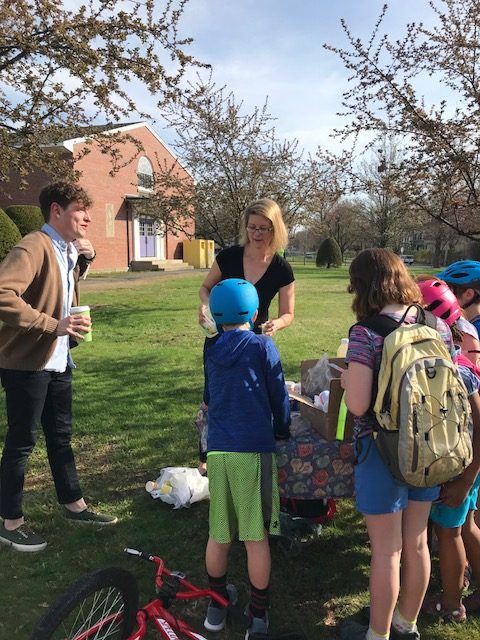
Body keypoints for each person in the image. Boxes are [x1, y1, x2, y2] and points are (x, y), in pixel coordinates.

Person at [339, 249, 453, 640]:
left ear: (362, 286)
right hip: (431, 445)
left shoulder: (366, 333)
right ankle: (408, 624)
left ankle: (378, 634)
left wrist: (345, 381)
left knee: (387, 551)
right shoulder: (437, 325)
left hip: (381, 450)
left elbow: (356, 404)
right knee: (417, 540)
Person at [0, 181, 117, 553]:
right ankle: (10, 521)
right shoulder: (34, 245)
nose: (87, 218)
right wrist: (54, 325)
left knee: (60, 436)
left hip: (58, 359)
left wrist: (84, 260)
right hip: (26, 363)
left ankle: (74, 505)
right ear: (56, 210)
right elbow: (3, 293)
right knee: (22, 442)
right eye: (80, 211)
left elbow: (58, 289)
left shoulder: (65, 248)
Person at [202, 278, 290, 638]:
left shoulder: (210, 348)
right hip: (254, 450)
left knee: (219, 534)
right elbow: (278, 394)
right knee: (255, 538)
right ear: (255, 314)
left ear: (215, 315)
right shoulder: (262, 346)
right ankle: (257, 616)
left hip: (220, 449)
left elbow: (209, 395)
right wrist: (282, 428)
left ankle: (216, 607)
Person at [197, 198, 295, 471]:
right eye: (252, 227)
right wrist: (207, 307)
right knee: (215, 397)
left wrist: (278, 324)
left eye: (264, 228)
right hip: (219, 337)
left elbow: (289, 313)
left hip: (255, 344)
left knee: (251, 399)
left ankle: (251, 455)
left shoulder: (281, 268)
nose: (257, 234)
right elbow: (205, 287)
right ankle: (209, 455)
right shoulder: (228, 257)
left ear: (276, 229)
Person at [416, 278, 480, 621]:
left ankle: (453, 605)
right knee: (466, 526)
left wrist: (466, 481)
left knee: (450, 532)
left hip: (461, 467)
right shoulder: (462, 354)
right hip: (466, 464)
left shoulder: (457, 371)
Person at [436, 260, 480, 336]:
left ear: (468, 294)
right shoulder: (460, 324)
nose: (443, 294)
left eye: (448, 289)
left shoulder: (473, 332)